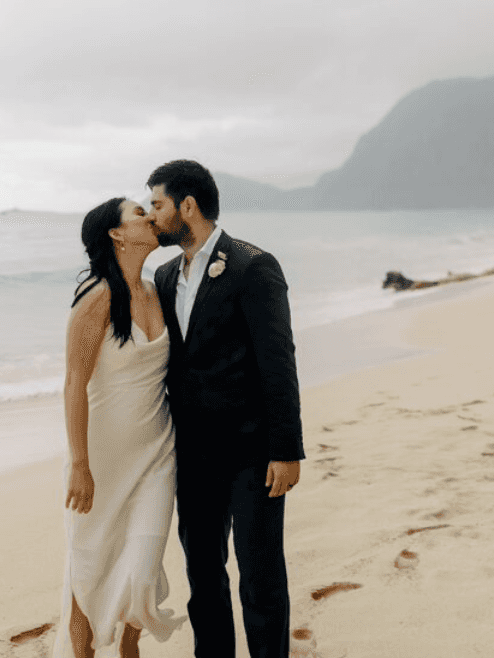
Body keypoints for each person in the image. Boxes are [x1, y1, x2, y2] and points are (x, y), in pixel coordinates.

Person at [146, 160, 305, 658]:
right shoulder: (167, 275)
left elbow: (278, 362)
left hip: (252, 452)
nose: (153, 216)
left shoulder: (253, 266)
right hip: (193, 455)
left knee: (259, 576)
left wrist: (286, 450)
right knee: (203, 576)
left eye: (158, 204)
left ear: (187, 206)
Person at [53, 196, 184, 658]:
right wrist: (79, 464)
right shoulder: (96, 297)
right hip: (103, 458)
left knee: (142, 569)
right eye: (138, 214)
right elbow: (73, 383)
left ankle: (130, 648)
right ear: (117, 234)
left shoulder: (156, 289)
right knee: (89, 566)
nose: (150, 217)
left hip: (157, 453)